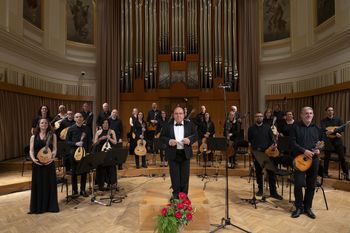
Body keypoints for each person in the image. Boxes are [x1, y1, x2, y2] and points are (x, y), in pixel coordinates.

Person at [290, 107, 322, 219]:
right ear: (301, 115)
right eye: (306, 113)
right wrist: (304, 151)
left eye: (310, 113)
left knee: (311, 185)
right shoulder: (295, 127)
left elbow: (321, 143)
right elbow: (292, 143)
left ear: (313, 115)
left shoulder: (317, 128)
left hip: (314, 160)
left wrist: (319, 150)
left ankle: (308, 207)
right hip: (300, 160)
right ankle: (299, 207)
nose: (308, 115)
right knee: (298, 184)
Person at [160, 107, 198, 199]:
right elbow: (162, 137)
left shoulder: (189, 124)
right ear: (173, 115)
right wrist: (169, 141)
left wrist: (189, 140)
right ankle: (176, 195)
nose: (178, 115)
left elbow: (196, 135)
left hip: (185, 154)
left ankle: (184, 195)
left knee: (185, 176)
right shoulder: (167, 125)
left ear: (184, 115)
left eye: (180, 113)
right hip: (173, 154)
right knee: (174, 176)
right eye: (176, 113)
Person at [248, 112, 283, 200]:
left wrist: (274, 145)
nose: (259, 117)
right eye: (257, 116)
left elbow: (272, 139)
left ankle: (273, 192)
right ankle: (260, 189)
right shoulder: (251, 128)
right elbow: (250, 141)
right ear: (255, 118)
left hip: (268, 153)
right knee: (259, 172)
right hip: (257, 153)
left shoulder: (267, 127)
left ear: (263, 118)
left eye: (260, 116)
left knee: (271, 172)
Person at [28, 118, 59, 214]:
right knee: (38, 184)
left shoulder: (53, 135)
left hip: (49, 163)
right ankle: (38, 206)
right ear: (39, 124)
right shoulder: (34, 137)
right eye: (42, 122)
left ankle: (50, 206)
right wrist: (33, 159)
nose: (44, 124)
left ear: (48, 124)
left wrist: (52, 158)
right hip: (37, 163)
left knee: (49, 184)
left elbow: (54, 149)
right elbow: (31, 150)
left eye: (46, 123)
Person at [320, 107, 349, 180]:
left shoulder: (338, 119)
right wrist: (336, 132)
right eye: (328, 110)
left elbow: (342, 128)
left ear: (333, 111)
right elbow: (324, 129)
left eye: (332, 110)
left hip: (337, 141)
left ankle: (346, 174)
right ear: (326, 112)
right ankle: (325, 173)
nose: (330, 111)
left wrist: (333, 132)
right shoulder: (323, 121)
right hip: (328, 141)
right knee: (327, 158)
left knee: (342, 157)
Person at [66, 112, 89, 197]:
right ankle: (75, 190)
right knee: (74, 172)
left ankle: (82, 190)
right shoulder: (71, 129)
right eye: (77, 117)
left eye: (80, 117)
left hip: (84, 153)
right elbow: (67, 142)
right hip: (73, 153)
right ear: (74, 119)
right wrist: (76, 144)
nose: (79, 118)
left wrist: (88, 151)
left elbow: (89, 141)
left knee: (84, 172)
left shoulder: (87, 129)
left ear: (83, 118)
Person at [93, 119, 117, 191]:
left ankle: (111, 183)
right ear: (102, 124)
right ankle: (101, 184)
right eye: (104, 123)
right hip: (100, 152)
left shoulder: (111, 131)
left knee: (110, 167)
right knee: (101, 168)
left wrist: (109, 138)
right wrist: (100, 139)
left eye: (107, 123)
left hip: (109, 152)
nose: (105, 124)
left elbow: (115, 142)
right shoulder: (98, 132)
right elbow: (94, 143)